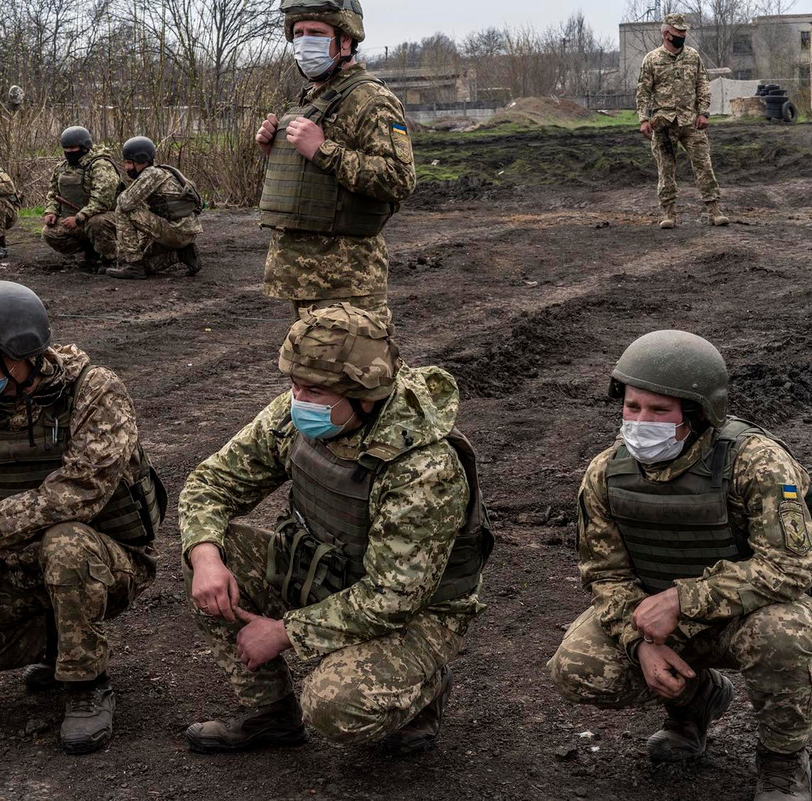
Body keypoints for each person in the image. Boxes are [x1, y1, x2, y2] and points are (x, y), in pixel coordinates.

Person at [180, 303, 492, 754]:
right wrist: (206, 557)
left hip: (417, 611)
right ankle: (270, 716)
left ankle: (422, 688)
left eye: (315, 391)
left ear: (365, 396)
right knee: (210, 555)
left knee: (334, 707)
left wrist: (286, 632)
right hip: (330, 570)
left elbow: (392, 597)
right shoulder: (302, 412)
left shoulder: (422, 468)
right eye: (294, 385)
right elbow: (212, 482)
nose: (298, 400)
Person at [0, 281, 165, 755]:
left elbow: (79, 492)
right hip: (21, 573)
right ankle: (57, 644)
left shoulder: (96, 392)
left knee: (65, 542)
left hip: (108, 562)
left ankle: (87, 685)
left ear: (18, 350)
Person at [549, 330, 812, 801]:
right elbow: (606, 575)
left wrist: (682, 598)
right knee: (577, 667)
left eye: (658, 410)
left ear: (696, 413)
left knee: (784, 636)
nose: (640, 421)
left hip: (747, 617)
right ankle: (694, 705)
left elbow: (790, 569)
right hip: (659, 624)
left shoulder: (757, 463)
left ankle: (783, 759)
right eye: (632, 407)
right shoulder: (606, 473)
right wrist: (639, 645)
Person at [255, 0, 416, 321]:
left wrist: (321, 150)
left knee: (363, 371)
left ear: (346, 40)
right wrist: (277, 153)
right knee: (309, 372)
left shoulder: (371, 99)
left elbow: (400, 178)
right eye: (298, 33)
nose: (304, 42)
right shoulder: (311, 99)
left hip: (346, 278)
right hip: (304, 275)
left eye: (315, 32)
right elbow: (314, 184)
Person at [636, 13, 730, 229]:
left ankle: (714, 211)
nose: (683, 34)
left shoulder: (693, 57)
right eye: (679, 31)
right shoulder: (652, 59)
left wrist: (704, 113)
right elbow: (643, 91)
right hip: (663, 124)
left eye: (685, 31)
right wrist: (643, 119)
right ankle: (668, 213)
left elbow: (702, 86)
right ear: (666, 34)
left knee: (704, 165)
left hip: (691, 123)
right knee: (666, 169)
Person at [104, 136, 202, 280]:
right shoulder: (165, 172)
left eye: (129, 163)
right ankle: (182, 254)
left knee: (122, 210)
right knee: (146, 263)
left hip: (175, 230)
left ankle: (134, 265)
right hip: (184, 230)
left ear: (141, 160)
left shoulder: (151, 174)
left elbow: (125, 203)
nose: (126, 168)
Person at [42, 126, 121, 273]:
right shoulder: (62, 168)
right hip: (78, 220)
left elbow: (102, 200)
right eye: (66, 148)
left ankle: (110, 258)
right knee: (49, 232)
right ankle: (91, 251)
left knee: (96, 222)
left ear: (84, 147)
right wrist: (51, 211)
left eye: (73, 148)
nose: (69, 152)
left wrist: (79, 218)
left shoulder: (101, 166)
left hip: (108, 218)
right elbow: (53, 193)